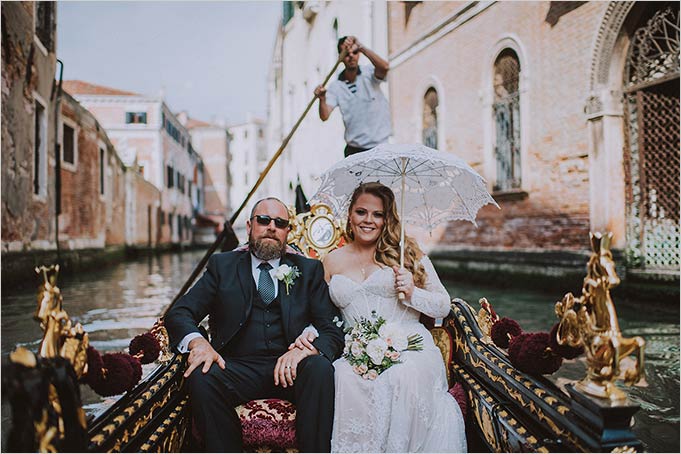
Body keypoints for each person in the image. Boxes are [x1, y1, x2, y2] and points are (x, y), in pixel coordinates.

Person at [291, 182, 467, 452]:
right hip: (356, 350)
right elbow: (323, 315)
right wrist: (309, 333)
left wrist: (411, 292)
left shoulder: (407, 253)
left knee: (401, 377)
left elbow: (443, 306)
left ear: (387, 219)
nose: (368, 220)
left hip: (410, 348)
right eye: (362, 212)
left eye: (378, 214)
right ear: (350, 214)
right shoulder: (331, 260)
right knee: (340, 375)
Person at [164, 197, 345, 452]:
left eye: (280, 223)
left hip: (291, 369)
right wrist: (199, 343)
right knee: (202, 375)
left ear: (287, 232)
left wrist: (307, 350)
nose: (272, 227)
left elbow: (332, 327)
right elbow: (179, 312)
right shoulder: (222, 266)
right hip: (237, 367)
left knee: (319, 368)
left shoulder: (309, 270)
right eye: (264, 220)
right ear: (250, 226)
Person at [314, 36, 391, 158]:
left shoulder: (369, 73)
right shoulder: (336, 87)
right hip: (354, 151)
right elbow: (324, 116)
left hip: (381, 147)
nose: (351, 56)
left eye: (355, 53)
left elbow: (385, 67)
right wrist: (322, 99)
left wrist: (361, 47)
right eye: (346, 54)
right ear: (340, 57)